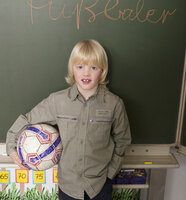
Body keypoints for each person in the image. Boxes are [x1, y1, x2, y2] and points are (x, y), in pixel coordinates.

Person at [6, 39, 131, 200]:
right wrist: (10, 147)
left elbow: (123, 140)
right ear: (73, 69)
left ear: (102, 70)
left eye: (93, 67)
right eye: (80, 67)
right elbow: (27, 120)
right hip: (68, 187)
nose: (86, 73)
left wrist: (111, 172)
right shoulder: (57, 101)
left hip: (100, 186)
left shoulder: (114, 104)